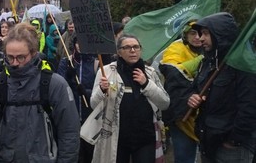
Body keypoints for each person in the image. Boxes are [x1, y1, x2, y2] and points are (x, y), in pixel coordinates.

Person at [0, 23, 80, 162]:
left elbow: (69, 132)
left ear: (34, 53)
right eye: (10, 57)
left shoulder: (55, 84)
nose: (15, 63)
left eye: (21, 57)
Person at [187, 12, 256, 162]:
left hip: (232, 148)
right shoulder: (206, 62)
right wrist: (193, 97)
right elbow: (195, 89)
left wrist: (234, 140)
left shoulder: (244, 65)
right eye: (200, 33)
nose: (200, 38)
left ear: (220, 34)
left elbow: (250, 107)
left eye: (205, 33)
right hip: (207, 141)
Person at [92, 34, 170, 163]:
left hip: (145, 138)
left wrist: (146, 83)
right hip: (116, 139)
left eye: (136, 47)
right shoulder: (106, 72)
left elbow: (164, 103)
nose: (132, 50)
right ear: (119, 52)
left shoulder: (150, 72)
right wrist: (101, 90)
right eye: (127, 47)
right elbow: (93, 104)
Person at [159, 20, 203, 163]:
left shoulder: (209, 48)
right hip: (181, 114)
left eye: (202, 33)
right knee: (185, 158)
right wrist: (204, 60)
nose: (198, 37)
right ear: (185, 35)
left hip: (203, 115)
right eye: (193, 33)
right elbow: (173, 71)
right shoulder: (176, 47)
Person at [58, 36, 98, 163]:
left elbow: (102, 90)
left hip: (91, 116)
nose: (80, 45)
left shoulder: (96, 64)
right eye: (77, 42)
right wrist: (68, 78)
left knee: (90, 152)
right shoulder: (66, 62)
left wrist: (86, 92)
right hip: (72, 114)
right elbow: (58, 87)